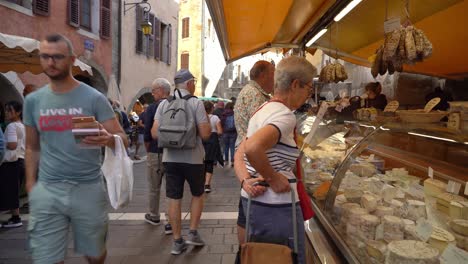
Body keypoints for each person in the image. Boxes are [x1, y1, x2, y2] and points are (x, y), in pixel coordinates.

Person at [23, 34, 127, 264]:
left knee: (95, 255)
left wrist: (109, 138)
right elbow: (31, 147)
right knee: (47, 258)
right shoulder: (33, 101)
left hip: (87, 188)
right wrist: (31, 183)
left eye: (57, 57)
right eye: (45, 57)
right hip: (49, 189)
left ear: (71, 59)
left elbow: (123, 137)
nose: (50, 62)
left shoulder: (94, 98)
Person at [234, 56, 316, 264]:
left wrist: (246, 179)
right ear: (295, 84)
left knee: (264, 256)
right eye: (309, 88)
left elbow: (241, 152)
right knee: (285, 258)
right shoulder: (284, 115)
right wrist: (273, 178)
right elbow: (252, 148)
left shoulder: (262, 110)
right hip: (277, 206)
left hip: (257, 203)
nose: (309, 95)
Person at [152, 69, 211, 255]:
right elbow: (206, 134)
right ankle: (192, 232)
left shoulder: (164, 104)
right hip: (193, 159)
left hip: (170, 159)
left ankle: (177, 241)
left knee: (173, 198)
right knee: (197, 194)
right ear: (188, 84)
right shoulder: (195, 103)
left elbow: (154, 133)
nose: (194, 84)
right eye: (193, 81)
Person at [233, 60, 275, 244]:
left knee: (247, 203)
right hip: (251, 157)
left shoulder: (252, 92)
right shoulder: (255, 95)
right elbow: (258, 133)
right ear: (264, 75)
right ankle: (249, 250)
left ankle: (246, 249)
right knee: (250, 202)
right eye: (273, 73)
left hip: (246, 153)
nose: (275, 77)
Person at [143, 78, 173, 235]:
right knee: (171, 188)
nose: (152, 93)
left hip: (155, 151)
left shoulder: (153, 107)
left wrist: (148, 150)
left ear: (161, 90)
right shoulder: (176, 104)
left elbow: (147, 133)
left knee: (154, 187)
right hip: (172, 152)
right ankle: (170, 221)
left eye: (154, 90)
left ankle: (154, 216)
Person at [0, 101, 25, 228]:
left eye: (10, 110)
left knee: (7, 190)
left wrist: (3, 144)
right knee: (13, 191)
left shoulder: (11, 126)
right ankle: (15, 217)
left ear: (18, 112)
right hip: (21, 161)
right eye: (6, 110)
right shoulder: (23, 126)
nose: (7, 113)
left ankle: (15, 219)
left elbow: (12, 145)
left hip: (11, 162)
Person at [202, 101, 223, 193]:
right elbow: (220, 132)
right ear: (212, 108)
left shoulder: (200, 117)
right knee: (209, 162)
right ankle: (207, 184)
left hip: (201, 141)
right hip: (212, 141)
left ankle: (200, 182)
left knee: (201, 162)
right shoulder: (215, 118)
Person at [221, 102, 236, 167]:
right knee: (232, 147)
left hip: (225, 132)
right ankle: (232, 161)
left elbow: (221, 123)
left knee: (226, 147)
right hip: (233, 132)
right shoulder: (234, 113)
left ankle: (226, 160)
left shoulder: (224, 114)